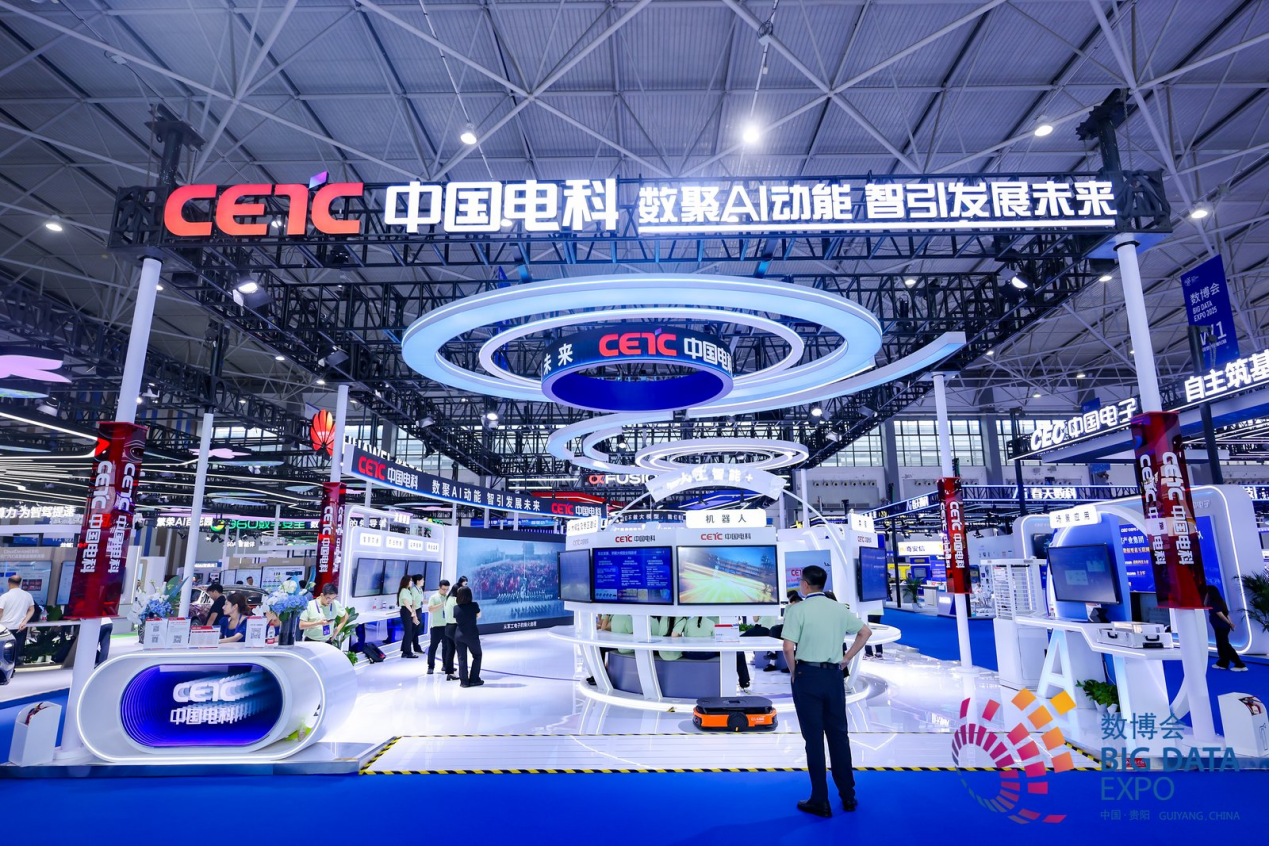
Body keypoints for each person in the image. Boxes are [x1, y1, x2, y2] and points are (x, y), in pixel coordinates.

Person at [781, 564, 871, 818]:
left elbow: (788, 647)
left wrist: (793, 671)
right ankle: (848, 796)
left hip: (807, 676)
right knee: (838, 736)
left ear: (805, 584)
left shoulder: (796, 610)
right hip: (833, 677)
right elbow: (865, 632)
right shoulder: (838, 608)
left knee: (814, 740)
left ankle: (820, 800)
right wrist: (846, 658)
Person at [1206, 583, 1246, 672]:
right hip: (1222, 627)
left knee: (1225, 645)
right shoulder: (1220, 602)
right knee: (1221, 645)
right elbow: (1226, 614)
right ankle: (1223, 663)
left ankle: (1239, 664)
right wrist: (1230, 623)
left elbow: (1221, 614)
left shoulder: (1214, 603)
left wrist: (1230, 623)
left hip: (1221, 627)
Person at [0, 575, 35, 668]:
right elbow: (32, 610)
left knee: (2, 652)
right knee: (15, 651)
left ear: (9, 583)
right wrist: (25, 622)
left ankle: (4, 671)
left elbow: (0, 612)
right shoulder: (28, 595)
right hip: (20, 628)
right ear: (20, 583)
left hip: (5, 629)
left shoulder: (5, 596)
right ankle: (12, 669)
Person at [452, 586, 483, 687]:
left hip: (459, 635)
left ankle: (464, 682)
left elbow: (456, 619)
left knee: (462, 658)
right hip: (471, 634)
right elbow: (479, 615)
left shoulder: (456, 608)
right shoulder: (474, 605)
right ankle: (474, 679)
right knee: (477, 655)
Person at [426, 580, 452, 675]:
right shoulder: (433, 597)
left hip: (447, 625)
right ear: (439, 587)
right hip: (436, 626)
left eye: (447, 589)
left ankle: (445, 665)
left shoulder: (449, 598)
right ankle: (430, 666)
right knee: (433, 647)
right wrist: (442, 604)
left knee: (446, 647)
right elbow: (430, 609)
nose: (445, 591)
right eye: (443, 589)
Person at [397, 575, 420, 659]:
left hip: (409, 610)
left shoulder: (408, 590)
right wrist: (412, 612)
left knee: (409, 631)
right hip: (406, 611)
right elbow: (406, 603)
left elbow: (411, 603)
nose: (411, 582)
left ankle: (405, 651)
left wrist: (413, 612)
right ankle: (407, 652)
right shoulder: (403, 590)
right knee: (408, 632)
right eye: (410, 581)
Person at [442, 580, 461, 680]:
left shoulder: (447, 599)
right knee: (460, 650)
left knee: (450, 650)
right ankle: (463, 673)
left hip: (448, 627)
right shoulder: (455, 600)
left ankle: (449, 672)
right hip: (454, 627)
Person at [409, 574, 426, 656]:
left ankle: (416, 648)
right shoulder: (414, 590)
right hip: (415, 611)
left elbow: (421, 601)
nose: (423, 581)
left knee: (417, 631)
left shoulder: (420, 589)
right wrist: (414, 616)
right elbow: (413, 604)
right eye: (422, 580)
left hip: (419, 610)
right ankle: (407, 650)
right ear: (418, 581)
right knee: (412, 631)